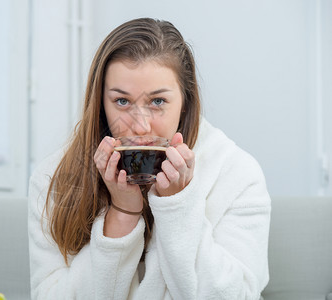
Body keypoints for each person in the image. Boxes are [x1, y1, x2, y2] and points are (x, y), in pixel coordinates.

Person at [28, 17, 271, 300]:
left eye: (158, 102)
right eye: (122, 101)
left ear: (185, 103)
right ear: (100, 102)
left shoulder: (237, 174)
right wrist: (123, 213)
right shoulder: (53, 178)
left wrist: (177, 206)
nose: (141, 126)